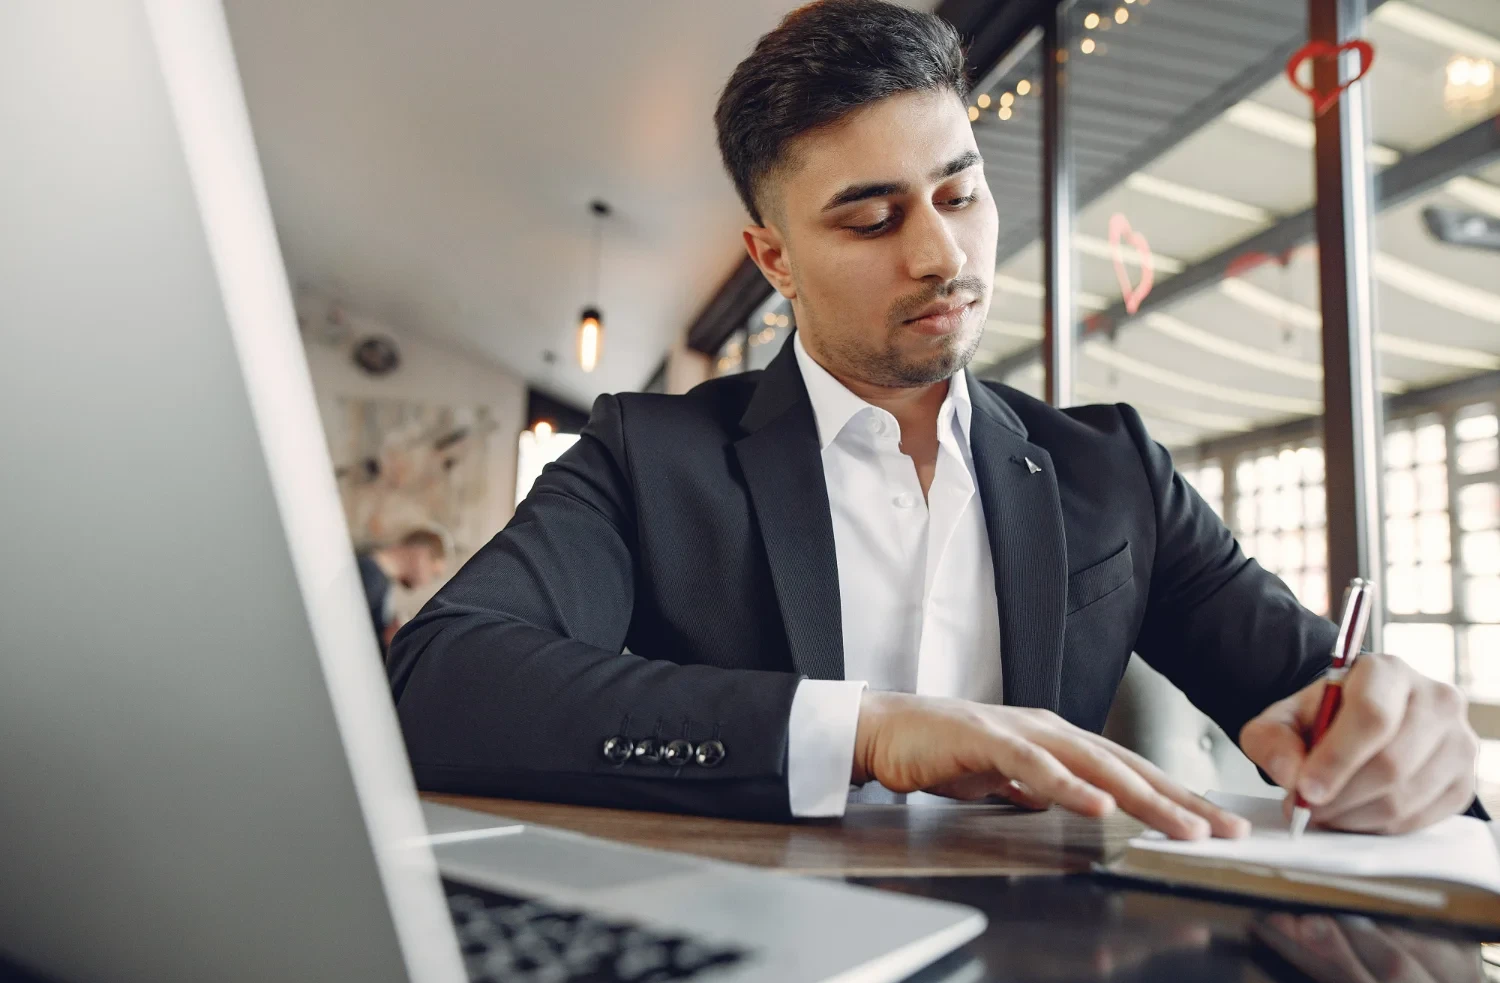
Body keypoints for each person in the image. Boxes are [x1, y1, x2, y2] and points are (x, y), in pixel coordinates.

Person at [389, 0, 1480, 838]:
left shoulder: (1113, 472)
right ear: (773, 258)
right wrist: (862, 729)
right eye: (871, 219)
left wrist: (1400, 740)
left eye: (960, 195)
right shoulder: (649, 456)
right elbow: (441, 681)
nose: (942, 256)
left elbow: (1312, 696)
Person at [356, 527, 451, 657]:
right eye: (433, 574)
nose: (427, 583)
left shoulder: (376, 580)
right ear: (422, 555)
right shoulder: (370, 578)